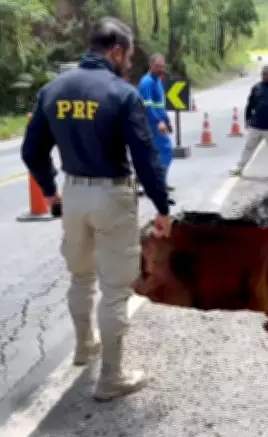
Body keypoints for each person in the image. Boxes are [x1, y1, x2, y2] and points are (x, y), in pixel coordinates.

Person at [21, 17, 172, 402]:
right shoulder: (122, 94)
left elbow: (32, 151)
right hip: (112, 196)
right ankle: (111, 377)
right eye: (130, 55)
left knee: (80, 278)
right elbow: (145, 158)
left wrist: (51, 193)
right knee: (116, 289)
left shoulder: (52, 90)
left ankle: (84, 347)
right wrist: (162, 208)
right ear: (117, 51)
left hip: (72, 195)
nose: (130, 63)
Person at [229, 64, 268, 180]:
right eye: (263, 74)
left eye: (267, 74)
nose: (265, 76)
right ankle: (239, 167)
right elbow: (250, 104)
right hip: (256, 125)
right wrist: (248, 119)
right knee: (248, 147)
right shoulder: (256, 88)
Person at [137, 53, 175, 193]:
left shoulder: (158, 81)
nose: (160, 69)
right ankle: (158, 182)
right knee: (166, 150)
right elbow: (148, 107)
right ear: (150, 65)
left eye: (162, 66)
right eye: (157, 66)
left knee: (154, 153)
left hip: (159, 121)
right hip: (151, 123)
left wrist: (167, 120)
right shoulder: (147, 82)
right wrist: (159, 121)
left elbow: (160, 105)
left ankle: (157, 182)